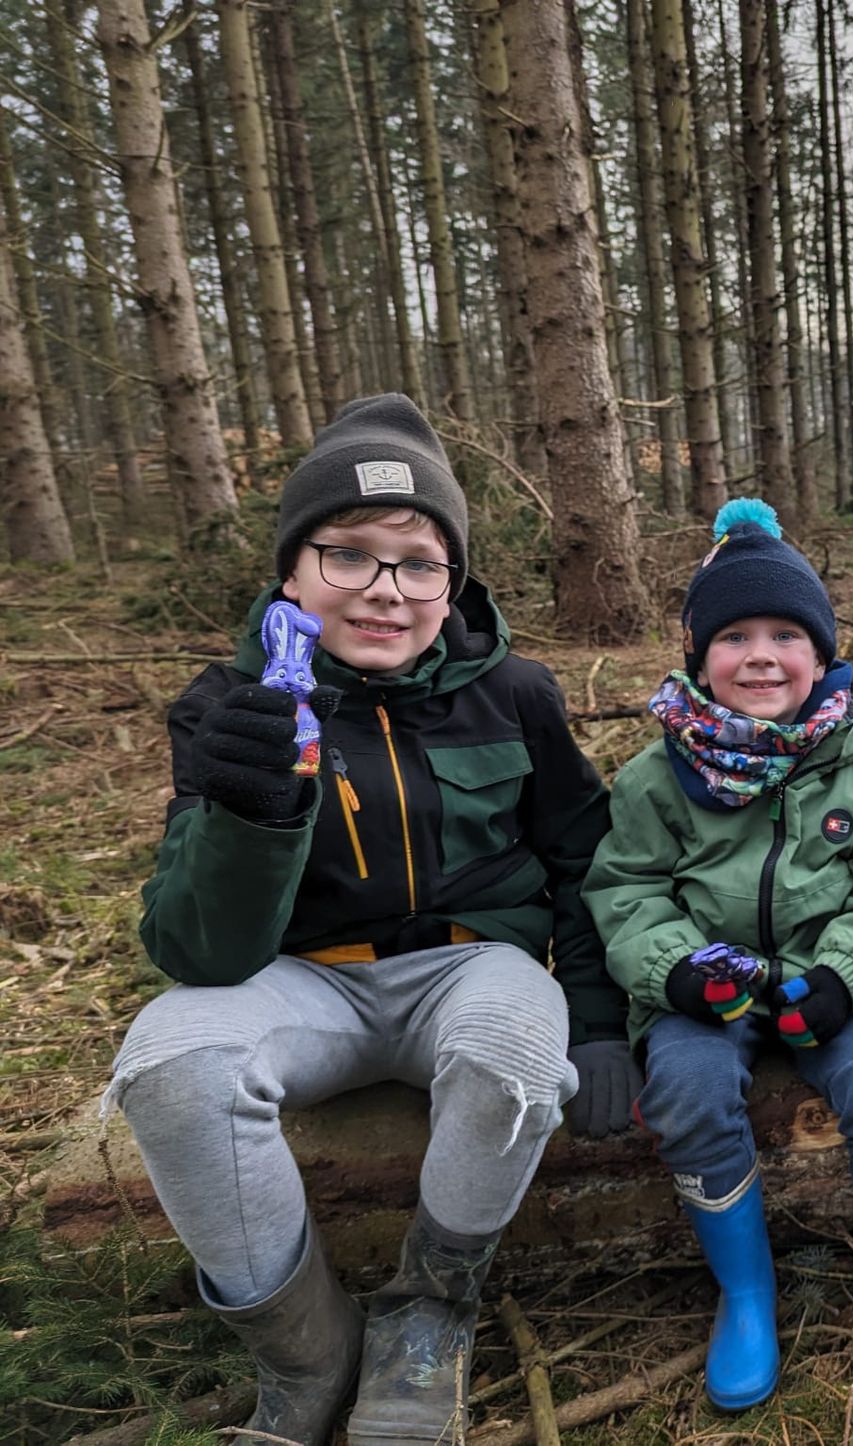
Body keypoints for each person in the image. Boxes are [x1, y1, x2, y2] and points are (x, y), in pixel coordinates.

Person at [106, 395, 641, 1445]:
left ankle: (428, 1312)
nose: (386, 592)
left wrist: (595, 1020)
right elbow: (194, 953)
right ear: (293, 573)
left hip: (471, 966)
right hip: (298, 980)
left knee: (516, 1053)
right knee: (171, 1067)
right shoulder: (231, 703)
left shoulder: (517, 692)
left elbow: (586, 863)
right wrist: (254, 809)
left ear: (454, 579)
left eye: (418, 561)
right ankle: (305, 1349)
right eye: (347, 556)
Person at [585, 499, 853, 1421]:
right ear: (697, 655)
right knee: (682, 1094)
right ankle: (748, 1298)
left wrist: (843, 976)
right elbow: (626, 892)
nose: (760, 655)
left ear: (822, 653)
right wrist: (679, 972)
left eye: (785, 634)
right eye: (733, 636)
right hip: (703, 994)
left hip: (840, 988)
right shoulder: (655, 774)